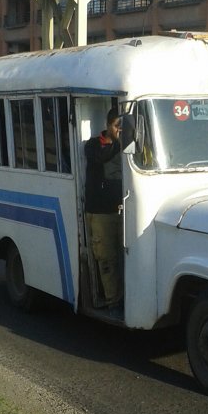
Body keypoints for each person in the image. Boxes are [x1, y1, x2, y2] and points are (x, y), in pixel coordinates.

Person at [84, 108, 123, 308]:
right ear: (108, 125)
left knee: (124, 256)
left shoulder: (123, 146)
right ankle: (111, 299)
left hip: (122, 208)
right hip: (100, 212)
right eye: (117, 126)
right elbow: (100, 157)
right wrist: (121, 143)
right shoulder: (93, 145)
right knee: (106, 257)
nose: (120, 131)